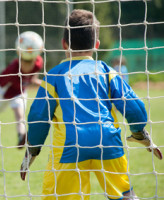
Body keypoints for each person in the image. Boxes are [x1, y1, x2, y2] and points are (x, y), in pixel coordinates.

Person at [19, 9, 162, 200]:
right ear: (96, 45)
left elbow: (38, 117)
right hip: (108, 141)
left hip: (70, 147)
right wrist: (139, 132)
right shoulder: (106, 71)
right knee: (124, 195)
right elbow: (133, 106)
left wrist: (32, 151)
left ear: (64, 44)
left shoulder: (54, 76)